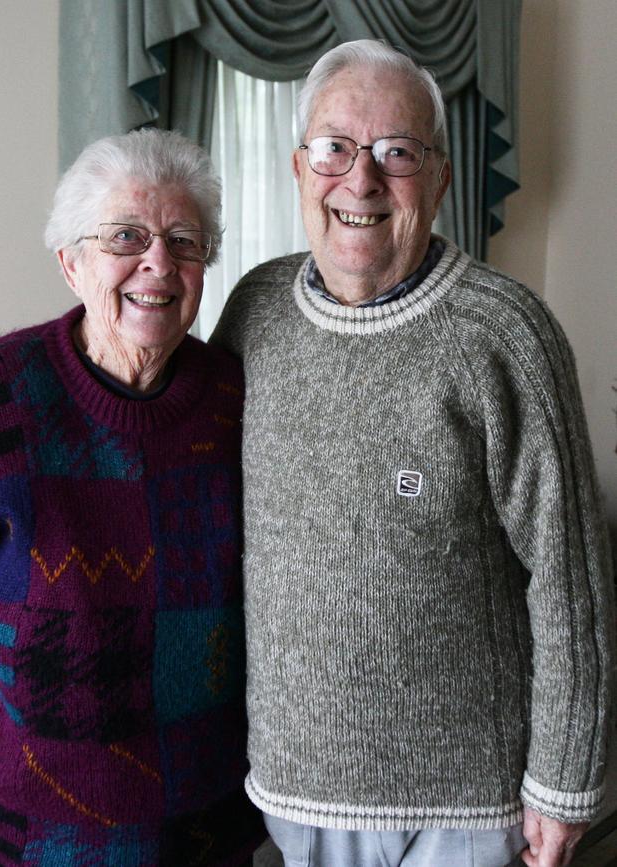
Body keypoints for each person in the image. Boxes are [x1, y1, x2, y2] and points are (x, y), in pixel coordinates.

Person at [212, 39, 615, 867]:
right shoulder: (254, 312)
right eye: (334, 147)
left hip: (472, 806)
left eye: (398, 152)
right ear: (298, 168)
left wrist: (565, 781)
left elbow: (570, 576)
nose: (361, 180)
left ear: (437, 179)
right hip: (295, 788)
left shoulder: (505, 333)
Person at [0, 129, 262, 866]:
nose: (157, 262)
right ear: (72, 263)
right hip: (30, 837)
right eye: (127, 235)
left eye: (183, 240)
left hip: (207, 832)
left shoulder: (240, 402)